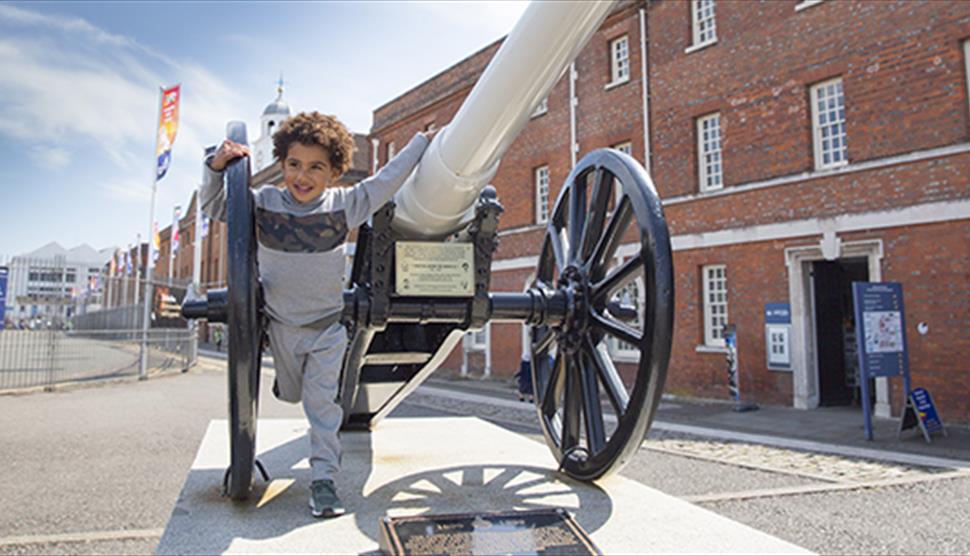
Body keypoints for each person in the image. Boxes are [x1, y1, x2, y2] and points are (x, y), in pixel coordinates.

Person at [201, 111, 431, 518]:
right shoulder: (264, 204)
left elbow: (387, 181)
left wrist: (420, 143)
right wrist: (215, 166)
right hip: (282, 331)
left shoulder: (345, 206)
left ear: (334, 172)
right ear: (282, 164)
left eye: (315, 168)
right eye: (294, 165)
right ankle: (290, 386)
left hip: (327, 331)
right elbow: (218, 206)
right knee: (292, 394)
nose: (302, 177)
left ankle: (324, 480)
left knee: (323, 408)